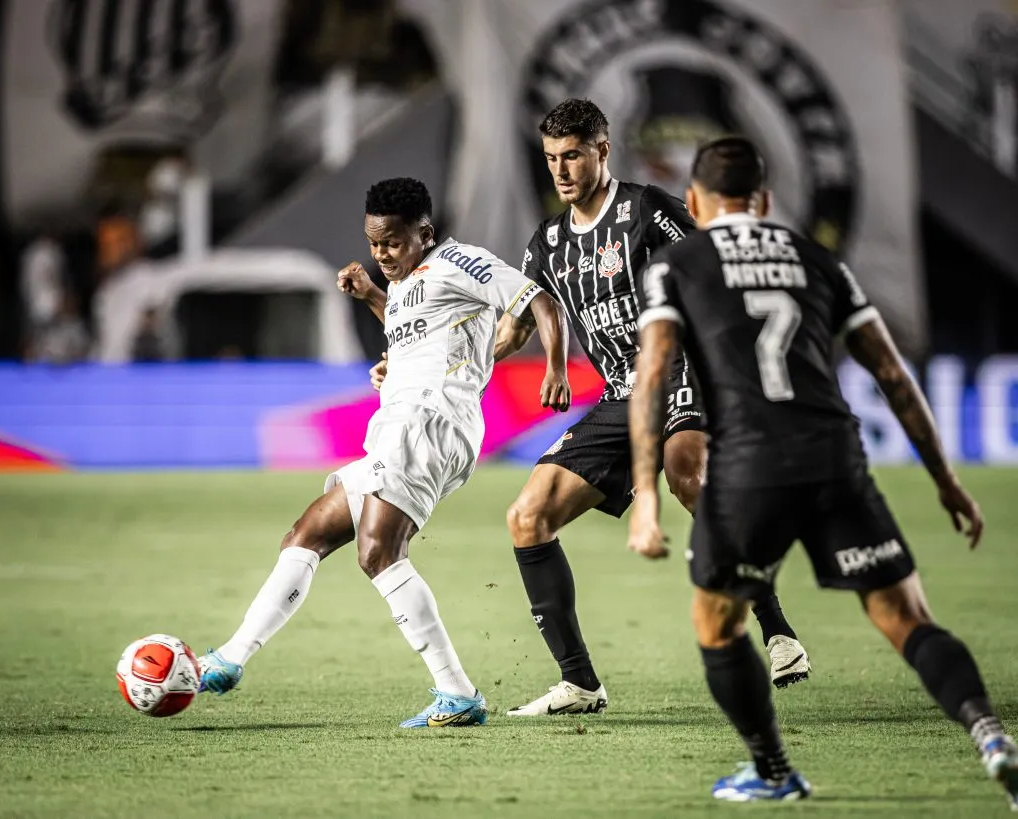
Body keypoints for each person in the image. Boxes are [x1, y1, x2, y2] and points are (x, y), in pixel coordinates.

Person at [627, 135, 1017, 806]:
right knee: (904, 614)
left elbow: (653, 374)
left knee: (718, 624)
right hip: (836, 455)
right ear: (766, 201)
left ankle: (774, 770)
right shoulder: (819, 260)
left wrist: (644, 497)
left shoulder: (677, 264)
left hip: (747, 464)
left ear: (694, 200)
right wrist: (946, 480)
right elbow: (892, 374)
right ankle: (988, 731)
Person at [197, 177, 571, 728]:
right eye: (374, 244)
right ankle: (232, 657)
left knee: (378, 554)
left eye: (392, 243)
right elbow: (418, 337)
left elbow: (539, 300)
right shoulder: (400, 285)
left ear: (424, 233)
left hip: (430, 423)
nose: (381, 254)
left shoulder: (461, 262)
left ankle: (457, 692)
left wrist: (556, 367)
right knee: (306, 533)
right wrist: (375, 300)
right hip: (395, 422)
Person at [500, 99, 808, 715]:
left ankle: (777, 632)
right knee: (527, 516)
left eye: (573, 156)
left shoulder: (644, 209)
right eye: (552, 159)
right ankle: (580, 682)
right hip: (623, 395)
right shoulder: (551, 241)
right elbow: (529, 314)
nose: (561, 171)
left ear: (602, 151)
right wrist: (503, 362)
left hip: (684, 373)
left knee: (688, 474)